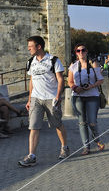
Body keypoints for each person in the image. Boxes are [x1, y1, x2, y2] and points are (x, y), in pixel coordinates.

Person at [18, 36, 69, 167]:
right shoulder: (30, 62)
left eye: (30, 46)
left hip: (51, 98)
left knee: (57, 124)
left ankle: (64, 147)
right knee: (33, 127)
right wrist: (29, 99)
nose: (28, 49)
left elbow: (60, 79)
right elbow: (31, 81)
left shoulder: (53, 60)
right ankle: (31, 155)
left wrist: (58, 96)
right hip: (36, 98)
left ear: (39, 46)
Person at [69, 43, 105, 155]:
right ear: (76, 53)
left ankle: (97, 139)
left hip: (92, 96)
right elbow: (69, 81)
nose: (81, 52)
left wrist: (91, 86)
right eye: (78, 51)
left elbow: (100, 80)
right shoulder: (73, 66)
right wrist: (75, 87)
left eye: (83, 50)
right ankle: (86, 147)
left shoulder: (93, 64)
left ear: (87, 51)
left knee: (92, 122)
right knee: (82, 122)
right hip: (78, 96)